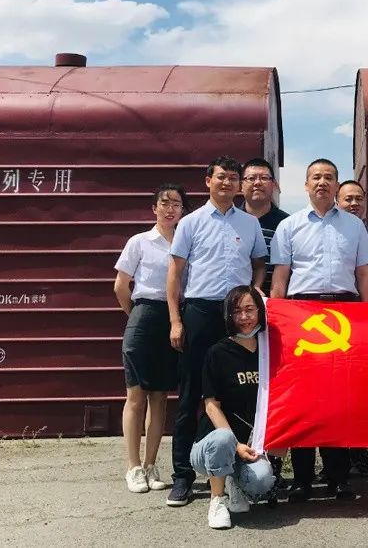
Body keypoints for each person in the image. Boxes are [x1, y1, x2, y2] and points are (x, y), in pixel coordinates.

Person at [270, 158, 368, 502]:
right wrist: (277, 320)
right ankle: (302, 479)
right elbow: (281, 277)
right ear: (306, 185)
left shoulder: (354, 225)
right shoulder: (289, 226)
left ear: (336, 185)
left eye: (329, 177)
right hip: (302, 316)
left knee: (338, 400)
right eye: (316, 177)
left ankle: (338, 477)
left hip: (345, 313)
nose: (322, 182)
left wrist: (366, 318)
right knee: (303, 401)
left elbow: (364, 273)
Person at [165, 157, 267, 507]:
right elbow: (174, 275)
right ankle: (182, 476)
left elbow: (259, 264)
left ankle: (238, 471)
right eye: (221, 177)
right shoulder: (190, 222)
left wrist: (254, 292)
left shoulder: (249, 223)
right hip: (200, 312)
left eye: (233, 178)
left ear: (239, 185)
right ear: (208, 180)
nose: (227, 183)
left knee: (238, 392)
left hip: (236, 316)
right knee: (190, 394)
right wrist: (176, 320)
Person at [112, 183, 185, 493]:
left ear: (183, 211)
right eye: (164, 203)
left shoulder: (186, 242)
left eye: (176, 204)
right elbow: (121, 285)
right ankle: (133, 466)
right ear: (154, 208)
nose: (170, 209)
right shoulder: (139, 242)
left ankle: (151, 464)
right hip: (144, 315)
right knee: (136, 395)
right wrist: (136, 316)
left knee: (160, 397)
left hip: (173, 318)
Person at [191, 285, 278, 528]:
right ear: (228, 316)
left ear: (260, 311)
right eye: (237, 311)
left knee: (263, 481)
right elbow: (211, 406)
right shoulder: (217, 353)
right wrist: (235, 444)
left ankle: (233, 482)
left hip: (250, 446)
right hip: (210, 447)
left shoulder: (269, 351)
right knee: (223, 439)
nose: (244, 317)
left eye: (250, 309)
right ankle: (217, 500)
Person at [335, 179, 368, 479]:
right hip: (334, 322)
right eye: (348, 199)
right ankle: (334, 461)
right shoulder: (330, 230)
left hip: (366, 321)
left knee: (361, 394)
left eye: (359, 199)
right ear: (337, 201)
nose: (354, 204)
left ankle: (360, 455)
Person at [240, 157, 289, 297]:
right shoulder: (230, 221)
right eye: (251, 178)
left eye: (264, 178)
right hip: (235, 301)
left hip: (275, 300)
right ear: (241, 185)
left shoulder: (287, 223)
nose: (257, 183)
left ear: (273, 184)